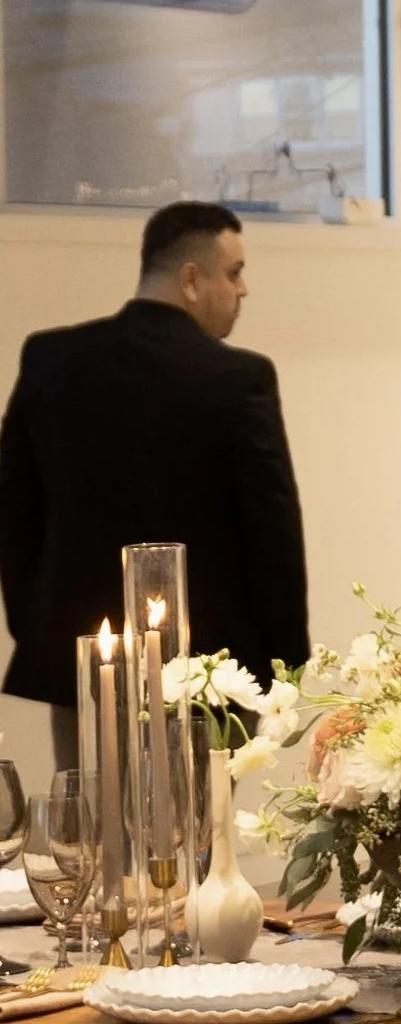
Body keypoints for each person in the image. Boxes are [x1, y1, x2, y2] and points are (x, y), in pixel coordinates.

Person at [0, 200, 309, 766]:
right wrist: (284, 670)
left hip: (84, 663)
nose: (243, 290)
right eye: (234, 272)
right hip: (210, 673)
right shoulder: (239, 380)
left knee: (90, 836)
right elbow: (273, 537)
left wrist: (38, 625)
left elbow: (15, 513)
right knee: (196, 843)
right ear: (192, 279)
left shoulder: (50, 360)